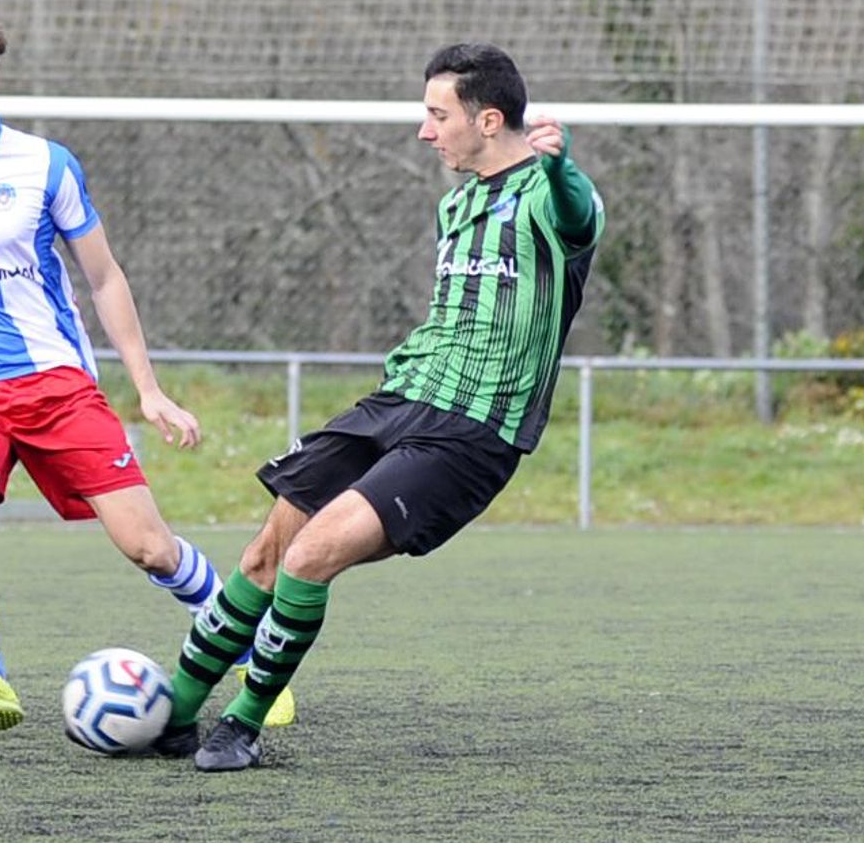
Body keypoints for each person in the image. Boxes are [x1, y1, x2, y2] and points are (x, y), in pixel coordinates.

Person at [152, 42, 606, 770]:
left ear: (489, 120)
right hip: (398, 403)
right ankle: (170, 714)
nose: (426, 131)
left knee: (309, 558)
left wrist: (561, 166)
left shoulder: (551, 198)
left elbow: (578, 216)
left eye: (437, 115)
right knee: (265, 553)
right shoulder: (456, 203)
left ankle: (240, 725)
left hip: (471, 431)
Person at [0, 1, 291, 733]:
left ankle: (252, 656)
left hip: (56, 386)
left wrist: (148, 390)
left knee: (151, 549)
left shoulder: (43, 165)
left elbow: (104, 278)